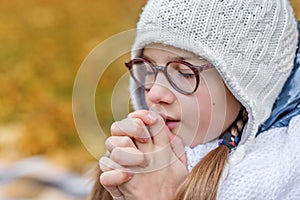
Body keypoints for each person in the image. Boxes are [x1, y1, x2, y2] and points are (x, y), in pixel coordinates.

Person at [89, 0, 300, 199]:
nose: (154, 94)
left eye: (184, 72)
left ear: (245, 87)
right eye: (149, 70)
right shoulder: (131, 166)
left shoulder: (285, 180)